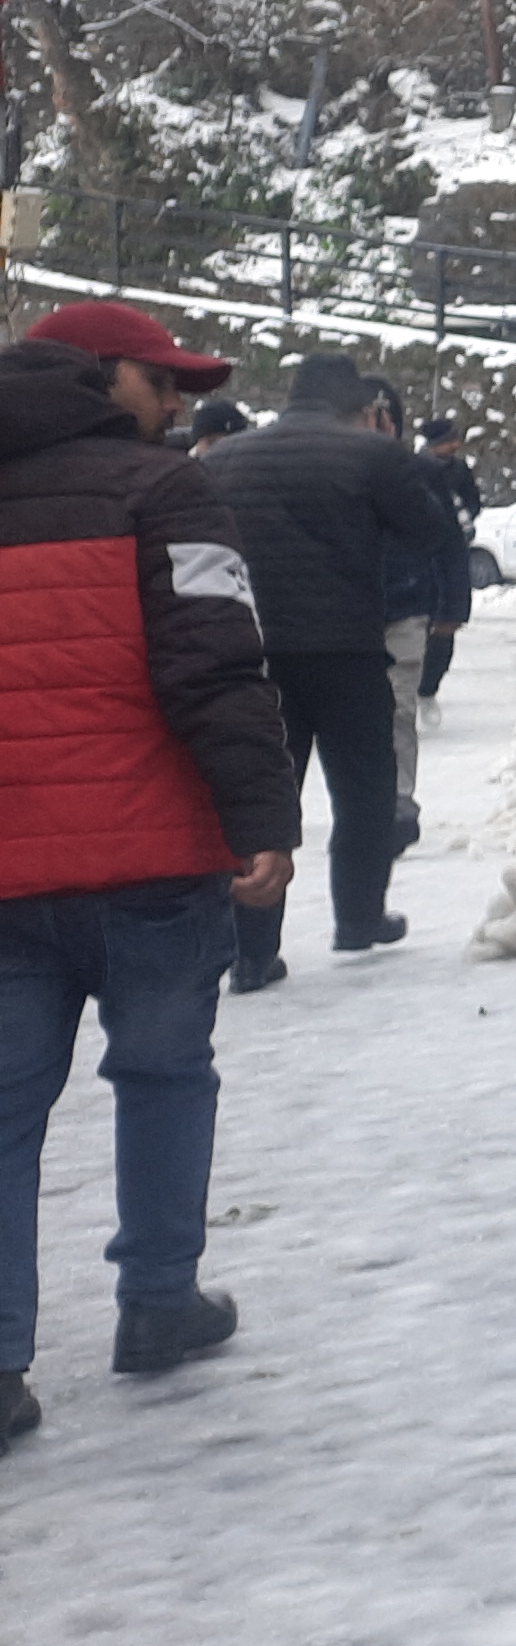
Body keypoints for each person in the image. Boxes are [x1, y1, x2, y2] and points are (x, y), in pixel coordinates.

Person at [0, 306, 296, 1440]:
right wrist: (260, 816)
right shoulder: (163, 493)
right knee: (166, 1075)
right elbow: (216, 666)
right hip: (151, 856)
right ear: (91, 376)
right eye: (159, 380)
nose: (176, 404)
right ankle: (157, 1306)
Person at [195, 352, 457, 979]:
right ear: (362, 406)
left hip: (255, 656)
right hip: (346, 647)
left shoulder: (225, 458)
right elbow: (433, 531)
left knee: (262, 794)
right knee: (364, 789)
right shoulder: (371, 454)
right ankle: (359, 918)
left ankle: (253, 950)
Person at [363, 380, 463, 849]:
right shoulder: (328, 465)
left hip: (403, 605)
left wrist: (450, 609)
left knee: (399, 708)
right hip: (342, 611)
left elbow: (447, 542)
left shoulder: (420, 471)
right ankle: (363, 805)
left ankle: (399, 801)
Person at [410, 418, 481, 700]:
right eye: (449, 440)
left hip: (452, 553)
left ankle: (429, 688)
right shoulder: (412, 468)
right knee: (418, 624)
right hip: (421, 556)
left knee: (447, 624)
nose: (455, 445)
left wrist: (461, 517)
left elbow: (473, 503)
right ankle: (412, 686)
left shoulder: (459, 469)